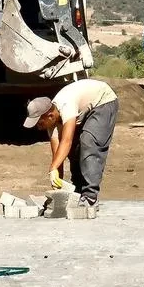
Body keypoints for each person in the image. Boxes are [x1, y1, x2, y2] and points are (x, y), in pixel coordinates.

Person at [23, 79, 119, 210]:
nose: (38, 127)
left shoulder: (66, 106)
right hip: (86, 107)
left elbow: (66, 141)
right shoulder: (51, 123)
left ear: (50, 116)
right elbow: (58, 156)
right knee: (75, 148)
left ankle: (90, 196)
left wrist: (52, 169)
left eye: (39, 123)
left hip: (103, 102)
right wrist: (57, 186)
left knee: (88, 142)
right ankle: (79, 190)